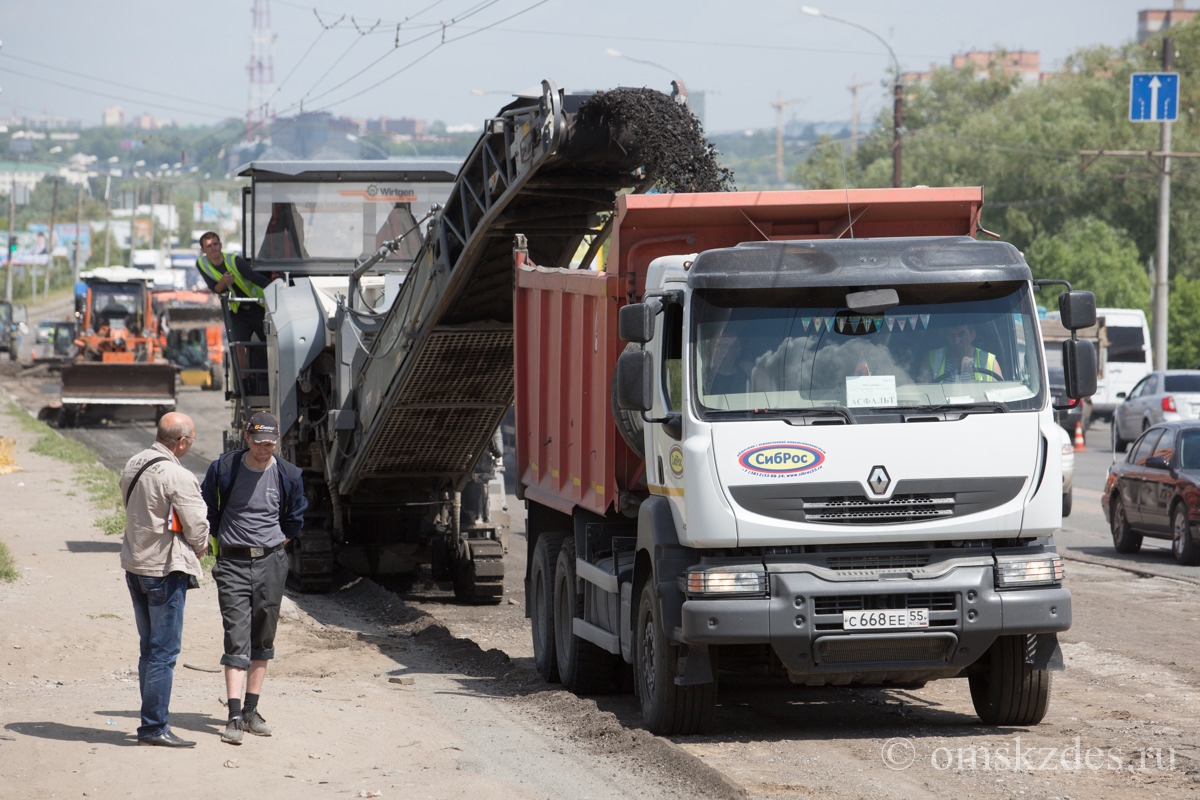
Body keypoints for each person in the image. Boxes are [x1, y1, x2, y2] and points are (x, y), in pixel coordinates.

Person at [201, 412, 307, 745]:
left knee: (263, 637)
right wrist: (221, 539)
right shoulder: (223, 469)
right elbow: (207, 509)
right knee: (236, 636)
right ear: (247, 438)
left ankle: (251, 711)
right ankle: (233, 716)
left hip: (271, 563)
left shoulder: (288, 474)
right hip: (232, 563)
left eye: (271, 444)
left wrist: (275, 545)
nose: (265, 449)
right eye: (260, 443)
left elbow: (295, 518)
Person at [119, 412, 209, 748]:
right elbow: (197, 525)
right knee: (164, 652)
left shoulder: (134, 462)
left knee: (149, 648)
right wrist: (200, 546)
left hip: (136, 564)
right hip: (164, 571)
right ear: (181, 441)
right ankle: (154, 727)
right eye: (192, 439)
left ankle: (151, 722)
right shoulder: (176, 474)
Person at [196, 231, 272, 394]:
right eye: (209, 246)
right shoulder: (202, 265)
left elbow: (254, 277)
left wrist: (277, 287)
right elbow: (215, 289)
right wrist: (224, 282)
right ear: (203, 250)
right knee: (238, 346)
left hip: (258, 307)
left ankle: (275, 377)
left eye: (216, 244)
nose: (213, 248)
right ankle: (244, 385)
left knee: (271, 343)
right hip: (238, 311)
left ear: (221, 245)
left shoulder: (234, 260)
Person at [925, 323, 1004, 383]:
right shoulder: (931, 359)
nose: (956, 341)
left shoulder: (989, 361)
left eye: (961, 334)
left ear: (972, 335)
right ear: (946, 336)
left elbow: (1001, 395)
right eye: (952, 335)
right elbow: (923, 392)